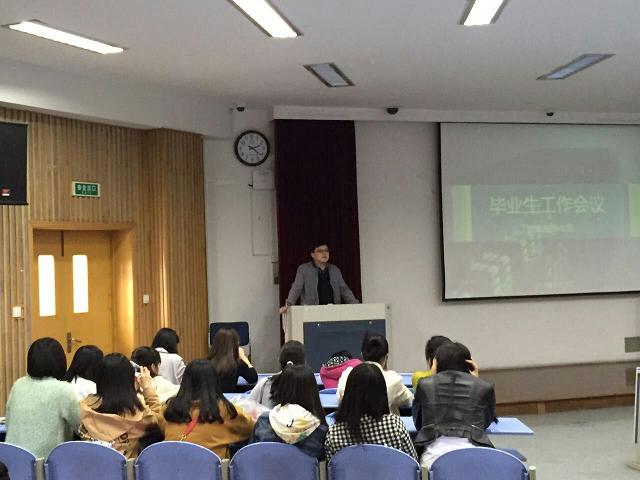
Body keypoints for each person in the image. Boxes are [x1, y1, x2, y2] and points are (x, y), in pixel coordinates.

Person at [412, 342, 496, 468]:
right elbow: (484, 424)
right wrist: (476, 380)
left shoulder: (425, 385)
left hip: (433, 460)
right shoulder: (484, 387)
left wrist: (433, 377)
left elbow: (419, 423)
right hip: (474, 459)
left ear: (436, 363)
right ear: (469, 364)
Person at [325, 363, 417, 461]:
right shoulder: (395, 426)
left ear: (348, 393)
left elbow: (331, 467)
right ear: (381, 394)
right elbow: (413, 462)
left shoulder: (334, 434)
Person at [5, 338, 80, 458]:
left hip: (11, 462)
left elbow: (8, 423)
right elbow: (80, 428)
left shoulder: (18, 385)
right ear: (60, 361)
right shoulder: (63, 390)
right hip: (44, 465)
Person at [163, 360, 254, 458]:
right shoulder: (225, 411)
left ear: (185, 381)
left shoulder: (169, 409)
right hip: (210, 467)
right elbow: (250, 428)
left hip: (171, 465)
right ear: (215, 381)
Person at [79, 353, 163, 458]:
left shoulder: (85, 406)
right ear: (130, 379)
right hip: (126, 468)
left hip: (91, 466)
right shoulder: (139, 413)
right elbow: (160, 423)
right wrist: (147, 389)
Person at [250, 364, 327, 459]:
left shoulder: (263, 421)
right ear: (312, 392)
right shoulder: (319, 431)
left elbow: (250, 455)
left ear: (281, 389)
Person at [337, 333, 413, 415]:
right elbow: (410, 401)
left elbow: (340, 399)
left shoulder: (347, 375)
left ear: (362, 355)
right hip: (386, 423)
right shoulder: (394, 379)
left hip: (353, 423)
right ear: (386, 357)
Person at [279, 242, 359, 314]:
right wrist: (289, 304)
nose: (324, 253)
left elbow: (344, 289)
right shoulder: (304, 269)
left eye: (326, 251)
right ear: (313, 255)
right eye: (320, 251)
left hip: (333, 312)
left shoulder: (335, 270)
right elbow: (297, 288)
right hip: (311, 313)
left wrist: (355, 304)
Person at [248, 340, 306, 408]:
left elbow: (248, 408)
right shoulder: (308, 385)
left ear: (279, 360)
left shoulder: (265, 383)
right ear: (304, 362)